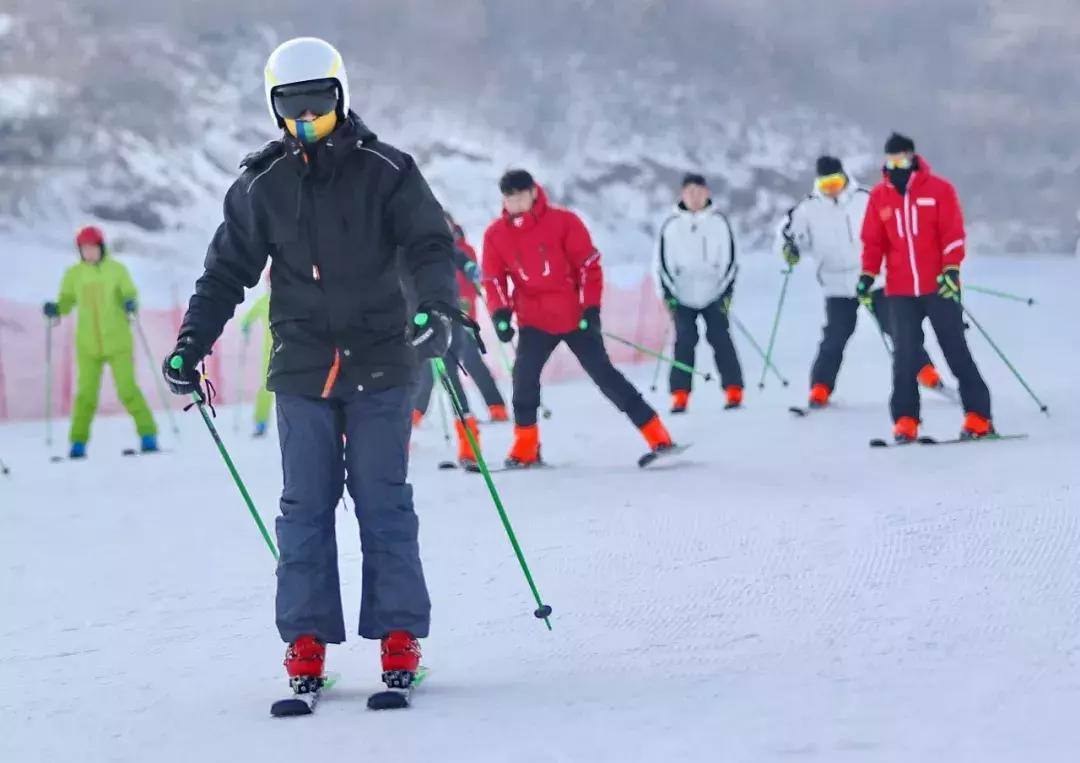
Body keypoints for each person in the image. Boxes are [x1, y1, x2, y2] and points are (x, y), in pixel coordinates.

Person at [160, 37, 459, 700]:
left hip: (381, 359)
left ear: (341, 97)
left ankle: (399, 633)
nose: (305, 122)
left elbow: (429, 247)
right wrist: (190, 343)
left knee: (383, 499)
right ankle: (305, 640)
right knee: (304, 507)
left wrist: (438, 309)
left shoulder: (389, 169)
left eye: (317, 107)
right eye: (291, 109)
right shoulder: (262, 184)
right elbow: (225, 272)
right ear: (274, 108)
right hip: (302, 367)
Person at [482, 169, 675, 466]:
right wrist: (500, 313)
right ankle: (526, 448)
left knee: (605, 376)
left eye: (520, 195)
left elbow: (588, 266)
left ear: (534, 192)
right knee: (523, 379)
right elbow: (493, 279)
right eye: (509, 197)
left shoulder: (564, 222)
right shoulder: (496, 235)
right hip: (533, 320)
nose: (515, 202)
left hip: (574, 318)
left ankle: (657, 435)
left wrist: (591, 308)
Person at [858, 132, 993, 442]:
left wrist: (950, 269)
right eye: (891, 160)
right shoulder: (880, 196)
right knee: (905, 356)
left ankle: (978, 415)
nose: (897, 165)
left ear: (913, 157)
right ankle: (906, 420)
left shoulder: (939, 190)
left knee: (955, 349)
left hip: (939, 287)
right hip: (900, 290)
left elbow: (953, 235)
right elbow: (873, 242)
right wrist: (867, 275)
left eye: (902, 159)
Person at [779, 156, 941, 408]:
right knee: (835, 335)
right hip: (836, 284)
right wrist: (789, 249)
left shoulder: (866, 199)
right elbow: (791, 239)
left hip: (874, 278)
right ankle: (820, 387)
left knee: (896, 327)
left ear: (844, 178)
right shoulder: (806, 209)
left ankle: (926, 372)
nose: (831, 188)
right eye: (825, 184)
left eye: (835, 181)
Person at [43, 225, 158, 458]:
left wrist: (129, 302)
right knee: (85, 395)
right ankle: (77, 443)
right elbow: (66, 301)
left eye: (93, 248)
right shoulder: (74, 274)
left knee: (127, 389)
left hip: (117, 342)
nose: (89, 253)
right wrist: (56, 309)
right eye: (84, 249)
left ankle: (148, 435)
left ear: (101, 247)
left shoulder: (116, 270)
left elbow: (130, 292)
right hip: (87, 346)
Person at [655, 173, 744, 413]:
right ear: (682, 195)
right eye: (689, 192)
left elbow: (730, 261)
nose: (694, 197)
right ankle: (680, 395)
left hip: (714, 293)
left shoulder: (719, 223)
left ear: (707, 193)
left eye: (699, 191)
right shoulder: (671, 226)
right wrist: (669, 294)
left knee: (720, 338)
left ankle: (734, 389)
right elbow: (662, 264)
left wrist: (725, 293)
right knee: (684, 342)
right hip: (682, 295)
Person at [412, 212, 509, 432]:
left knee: (470, 364)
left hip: (461, 318)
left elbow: (468, 280)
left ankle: (495, 407)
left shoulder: (460, 248)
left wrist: (472, 276)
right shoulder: (422, 247)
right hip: (433, 318)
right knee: (428, 370)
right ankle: (415, 413)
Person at [239, 277, 273, 438]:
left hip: (291, 351)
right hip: (269, 353)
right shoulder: (264, 301)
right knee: (265, 388)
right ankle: (261, 422)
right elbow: (248, 317)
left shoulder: (292, 299)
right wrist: (245, 325)